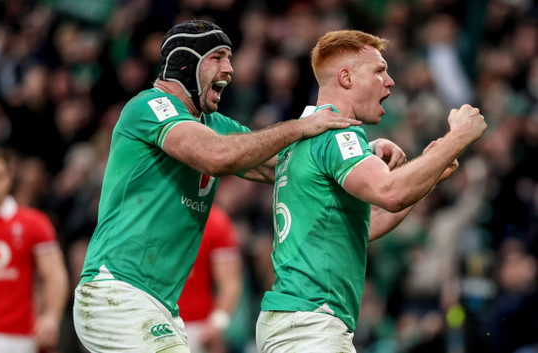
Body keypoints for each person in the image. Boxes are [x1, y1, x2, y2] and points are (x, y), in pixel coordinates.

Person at [72, 20, 404, 353]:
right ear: (184, 64)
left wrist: (361, 156)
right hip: (115, 291)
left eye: (229, 58)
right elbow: (217, 156)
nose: (229, 69)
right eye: (218, 57)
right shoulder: (149, 107)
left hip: (159, 306)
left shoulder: (216, 124)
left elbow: (290, 166)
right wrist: (302, 127)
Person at [255, 29, 487, 353]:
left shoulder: (302, 141)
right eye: (379, 71)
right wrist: (458, 137)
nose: (390, 81)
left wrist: (431, 173)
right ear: (346, 78)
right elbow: (390, 192)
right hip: (312, 324)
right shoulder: (336, 135)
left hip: (295, 320)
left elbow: (364, 226)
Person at [0, 147, 69, 353]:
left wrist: (51, 317)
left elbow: (55, 275)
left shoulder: (34, 223)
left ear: (9, 178)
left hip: (18, 338)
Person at [177, 205, 242, 353]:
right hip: (152, 318)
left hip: (197, 328)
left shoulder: (215, 222)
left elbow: (230, 284)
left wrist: (217, 324)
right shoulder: (153, 215)